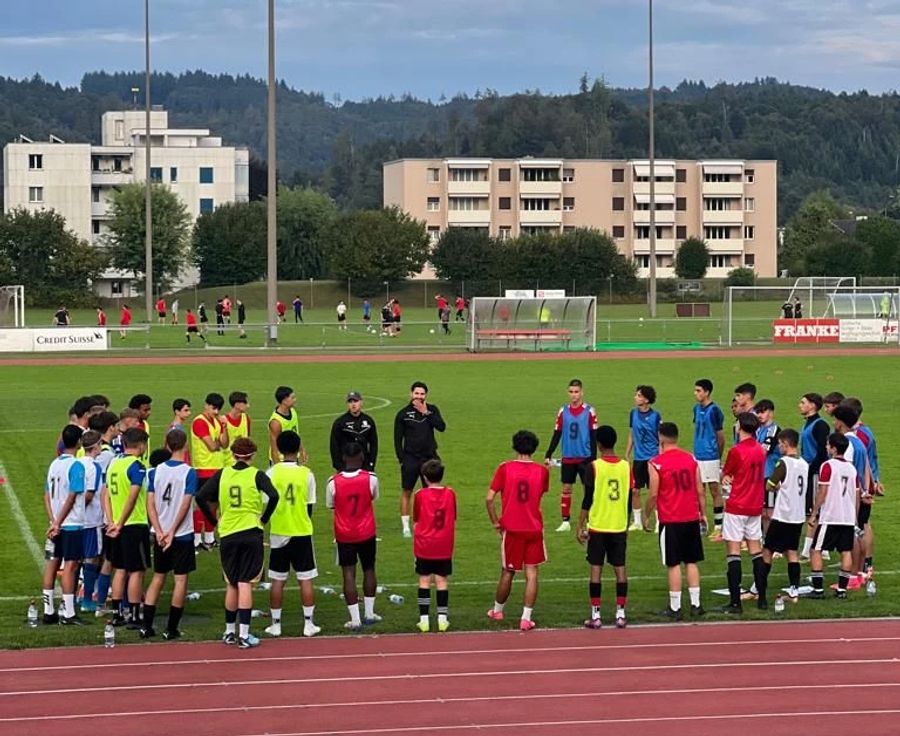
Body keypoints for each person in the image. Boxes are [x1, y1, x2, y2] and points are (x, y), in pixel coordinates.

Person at [196, 437, 279, 649]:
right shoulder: (257, 475)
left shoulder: (223, 474)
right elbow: (274, 496)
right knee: (245, 583)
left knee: (231, 582)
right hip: (251, 532)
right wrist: (264, 518)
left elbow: (201, 496)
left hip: (228, 533)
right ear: (252, 455)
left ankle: (229, 631)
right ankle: (244, 634)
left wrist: (214, 520)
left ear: (233, 455)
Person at [486, 430, 549, 631]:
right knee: (532, 573)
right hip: (534, 528)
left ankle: (497, 610)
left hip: (512, 529)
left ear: (514, 446)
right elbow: (540, 494)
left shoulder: (505, 468)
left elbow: (489, 498)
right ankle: (525, 617)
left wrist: (496, 521)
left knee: (508, 571)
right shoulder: (542, 471)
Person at [644, 422, 706, 620]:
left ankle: (675, 606)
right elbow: (700, 490)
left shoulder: (656, 463)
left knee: (673, 564)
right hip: (690, 516)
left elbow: (653, 494)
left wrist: (646, 515)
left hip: (670, 519)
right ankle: (696, 604)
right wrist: (702, 513)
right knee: (691, 561)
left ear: (661, 439)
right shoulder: (691, 459)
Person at [264, 430, 320, 638]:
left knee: (278, 579)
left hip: (279, 530)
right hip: (302, 531)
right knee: (305, 578)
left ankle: (276, 624)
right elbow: (310, 506)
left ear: (278, 449)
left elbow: (265, 502)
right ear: (298, 450)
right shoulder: (307, 474)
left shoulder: (271, 473)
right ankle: (308, 624)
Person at [142, 429, 197, 640]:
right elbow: (185, 505)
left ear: (167, 445)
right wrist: (172, 530)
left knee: (158, 577)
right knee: (180, 580)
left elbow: (150, 503)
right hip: (181, 534)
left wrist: (159, 529)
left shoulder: (155, 472)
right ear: (185, 446)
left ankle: (147, 626)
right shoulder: (188, 472)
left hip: (160, 533)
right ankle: (171, 628)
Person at [577, 426, 630, 629]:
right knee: (620, 569)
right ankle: (620, 614)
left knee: (596, 569)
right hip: (618, 525)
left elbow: (587, 499)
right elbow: (627, 497)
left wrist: (580, 525)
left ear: (598, 444)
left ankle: (596, 615)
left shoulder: (594, 467)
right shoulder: (626, 466)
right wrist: (626, 522)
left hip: (598, 525)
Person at [326, 442, 381, 630]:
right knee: (369, 569)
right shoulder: (371, 478)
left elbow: (331, 504)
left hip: (344, 533)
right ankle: (370, 612)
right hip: (366, 530)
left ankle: (355, 618)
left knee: (348, 572)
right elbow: (373, 497)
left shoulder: (333, 482)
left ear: (343, 458)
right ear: (362, 457)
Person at [719, 412, 768, 613]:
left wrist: (725, 476)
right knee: (756, 550)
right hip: (755, 505)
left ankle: (735, 602)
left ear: (740, 426)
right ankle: (762, 598)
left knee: (733, 552)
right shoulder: (760, 450)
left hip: (737, 504)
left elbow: (726, 473)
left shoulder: (737, 451)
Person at [103, 427, 149, 628]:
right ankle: (134, 615)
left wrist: (111, 520)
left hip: (115, 525)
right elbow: (133, 496)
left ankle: (116, 614)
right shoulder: (136, 466)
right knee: (137, 571)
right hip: (133, 524)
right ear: (140, 445)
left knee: (119, 569)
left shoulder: (114, 463)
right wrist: (121, 521)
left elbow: (104, 493)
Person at [808, 433, 863, 599]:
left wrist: (814, 512)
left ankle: (818, 590)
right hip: (847, 517)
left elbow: (823, 491)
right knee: (845, 551)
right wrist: (854, 517)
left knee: (816, 549)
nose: (826, 447)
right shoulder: (852, 469)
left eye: (828, 445)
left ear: (833, 448)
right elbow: (857, 495)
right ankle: (842, 590)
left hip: (831, 516)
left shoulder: (828, 466)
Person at [41, 425, 86, 625]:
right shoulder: (76, 466)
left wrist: (53, 521)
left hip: (56, 524)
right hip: (71, 524)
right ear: (78, 442)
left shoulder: (54, 464)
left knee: (52, 564)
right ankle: (68, 613)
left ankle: (48, 610)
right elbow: (72, 496)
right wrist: (59, 522)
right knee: (70, 565)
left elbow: (46, 495)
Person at [544, 379, 598, 533]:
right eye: (571, 392)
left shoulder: (589, 411)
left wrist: (593, 457)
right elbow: (557, 433)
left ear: (582, 392)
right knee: (566, 487)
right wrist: (549, 452)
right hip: (568, 456)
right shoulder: (563, 411)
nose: (574, 395)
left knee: (588, 489)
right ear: (568, 393)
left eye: (576, 392)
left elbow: (594, 434)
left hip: (585, 457)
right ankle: (565, 521)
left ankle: (590, 520)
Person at [761, 429, 809, 601]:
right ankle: (794, 590)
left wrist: (776, 487)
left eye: (780, 444)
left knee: (767, 550)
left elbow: (770, 484)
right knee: (792, 552)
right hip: (798, 515)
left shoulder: (783, 463)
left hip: (783, 515)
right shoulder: (804, 463)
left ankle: (759, 586)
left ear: (786, 444)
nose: (779, 447)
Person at [394, 381, 446, 537]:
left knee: (430, 492)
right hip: (410, 458)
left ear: (426, 395)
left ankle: (427, 522)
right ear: (411, 394)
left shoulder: (432, 409)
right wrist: (401, 458)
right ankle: (406, 527)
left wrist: (426, 413)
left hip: (429, 458)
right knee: (407, 491)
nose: (419, 396)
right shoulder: (403, 414)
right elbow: (397, 439)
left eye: (422, 394)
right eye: (416, 393)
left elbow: (441, 427)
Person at [413, 459, 457, 632]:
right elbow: (453, 517)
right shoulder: (451, 494)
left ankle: (424, 619)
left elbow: (416, 519)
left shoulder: (420, 495)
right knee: (441, 580)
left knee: (424, 580)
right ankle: (442, 618)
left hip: (424, 544)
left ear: (424, 477)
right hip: (444, 544)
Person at [190, 393, 229, 550]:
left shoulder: (217, 421)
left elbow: (224, 444)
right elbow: (212, 446)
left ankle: (209, 537)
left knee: (214, 504)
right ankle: (197, 538)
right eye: (213, 408)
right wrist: (217, 443)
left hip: (217, 468)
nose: (215, 411)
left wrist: (225, 427)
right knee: (202, 504)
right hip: (203, 468)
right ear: (206, 405)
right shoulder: (199, 422)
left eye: (217, 409)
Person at [692, 379, 725, 540]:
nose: (696, 393)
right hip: (698, 455)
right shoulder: (696, 409)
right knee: (699, 490)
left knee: (714, 489)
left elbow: (720, 436)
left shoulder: (715, 411)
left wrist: (717, 456)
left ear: (706, 392)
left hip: (711, 456)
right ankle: (702, 523)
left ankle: (719, 526)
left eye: (698, 391)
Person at [798, 392, 830, 560]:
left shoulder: (820, 425)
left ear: (812, 405)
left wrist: (811, 469)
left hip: (815, 472)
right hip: (808, 471)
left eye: (803, 402)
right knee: (810, 510)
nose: (800, 405)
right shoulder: (808, 424)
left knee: (814, 511)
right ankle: (819, 547)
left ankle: (810, 549)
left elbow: (822, 453)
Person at [626, 384, 660, 532]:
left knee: (655, 491)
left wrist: (659, 457)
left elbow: (660, 437)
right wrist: (627, 453)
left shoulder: (655, 416)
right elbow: (632, 434)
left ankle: (659, 521)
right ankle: (638, 521)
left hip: (652, 458)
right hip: (638, 458)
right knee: (635, 490)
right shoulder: (633, 414)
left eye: (639, 395)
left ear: (646, 400)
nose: (635, 397)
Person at [77, 430, 104, 614]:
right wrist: (79, 509)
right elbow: (89, 493)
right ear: (95, 446)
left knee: (76, 559)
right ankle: (87, 599)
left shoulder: (76, 463)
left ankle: (73, 599)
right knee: (92, 559)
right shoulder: (94, 467)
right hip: (92, 520)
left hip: (76, 522)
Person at [330, 391, 378, 472]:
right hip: (346, 465)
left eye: (355, 401)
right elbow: (334, 446)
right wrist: (338, 465)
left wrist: (371, 463)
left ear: (361, 402)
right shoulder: (340, 422)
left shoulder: (368, 421)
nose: (353, 404)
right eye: (350, 402)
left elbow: (374, 444)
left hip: (364, 465)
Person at [754, 399, 781, 532]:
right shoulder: (758, 430)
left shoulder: (774, 430)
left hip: (770, 474)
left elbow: (763, 451)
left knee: (770, 512)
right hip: (759, 474)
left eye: (762, 412)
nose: (759, 415)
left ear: (771, 412)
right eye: (758, 412)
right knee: (761, 511)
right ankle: (765, 541)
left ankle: (773, 544)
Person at [269, 386, 300, 465]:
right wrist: (277, 466)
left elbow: (295, 433)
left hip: (293, 456)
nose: (295, 400)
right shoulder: (276, 422)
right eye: (292, 398)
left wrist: (302, 449)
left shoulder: (293, 411)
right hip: (282, 460)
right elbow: (274, 448)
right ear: (284, 400)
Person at [221, 391, 251, 468]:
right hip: (226, 464)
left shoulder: (246, 418)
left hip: (243, 463)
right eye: (245, 403)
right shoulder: (223, 420)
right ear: (237, 404)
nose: (248, 406)